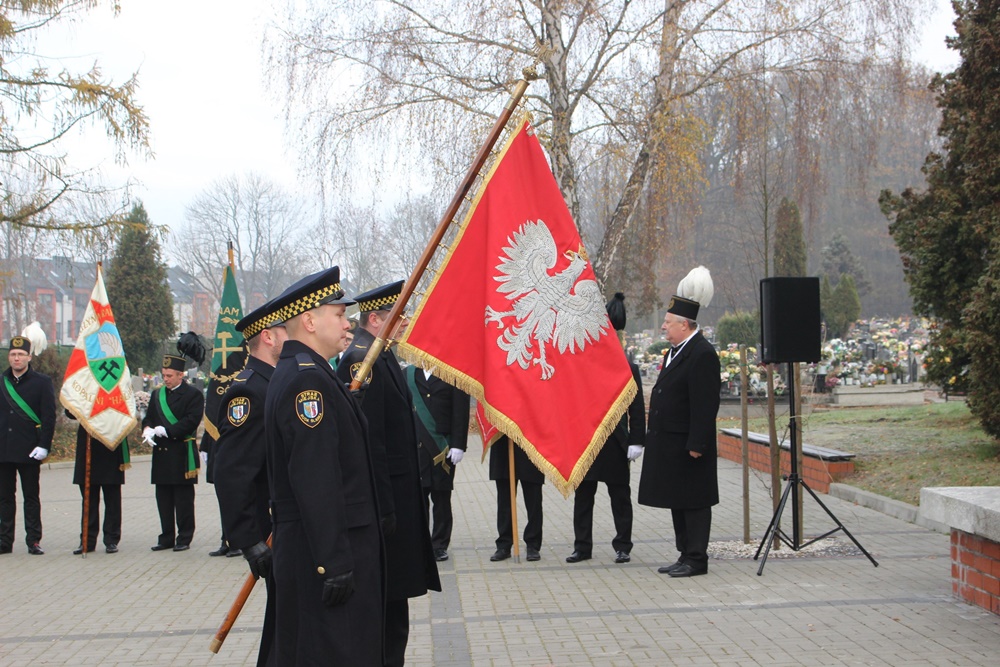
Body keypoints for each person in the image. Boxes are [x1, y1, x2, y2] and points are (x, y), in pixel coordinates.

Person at [264, 266, 383, 665]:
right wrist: (332, 562)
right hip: (325, 556)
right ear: (310, 321)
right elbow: (316, 479)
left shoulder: (312, 374)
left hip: (324, 550)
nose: (346, 321)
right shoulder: (307, 383)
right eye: (338, 313)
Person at [337, 280, 440, 667]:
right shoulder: (362, 359)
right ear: (377, 319)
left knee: (395, 606)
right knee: (386, 606)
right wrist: (383, 507)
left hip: (396, 495)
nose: (406, 323)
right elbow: (371, 442)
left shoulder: (380, 355)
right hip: (387, 500)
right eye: (399, 317)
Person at [212, 297, 286, 667]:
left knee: (288, 627)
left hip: (286, 528)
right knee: (284, 629)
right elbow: (232, 472)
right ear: (269, 337)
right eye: (286, 329)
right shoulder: (250, 390)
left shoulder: (277, 381)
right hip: (270, 531)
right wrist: (249, 541)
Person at [638, 266, 721, 578]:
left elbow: (705, 403)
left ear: (685, 325)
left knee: (694, 502)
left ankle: (697, 559)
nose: (664, 327)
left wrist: (698, 443)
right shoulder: (675, 351)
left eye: (668, 323)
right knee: (678, 499)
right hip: (671, 442)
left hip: (690, 444)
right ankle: (684, 553)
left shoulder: (702, 354)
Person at [566, 293, 645, 565]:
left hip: (616, 441)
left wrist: (637, 440)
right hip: (589, 440)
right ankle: (582, 546)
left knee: (620, 496)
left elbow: (636, 408)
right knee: (584, 497)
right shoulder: (584, 366)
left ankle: (623, 545)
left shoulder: (629, 368)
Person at [0, 335, 56, 555]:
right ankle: (4, 541)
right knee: (5, 498)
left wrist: (44, 445)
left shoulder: (42, 382)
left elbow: (49, 417)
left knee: (31, 497)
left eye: (21, 355)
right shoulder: (2, 380)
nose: (16, 359)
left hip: (30, 449)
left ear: (29, 357)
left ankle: (33, 540)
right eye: (13, 355)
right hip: (3, 449)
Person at [407, 366, 469, 562]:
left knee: (441, 499)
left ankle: (439, 544)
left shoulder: (452, 374)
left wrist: (459, 444)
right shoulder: (408, 374)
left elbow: (460, 410)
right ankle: (421, 543)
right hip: (417, 446)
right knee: (419, 499)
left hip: (443, 449)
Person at [144, 353, 204, 552]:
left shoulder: (193, 395)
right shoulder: (157, 395)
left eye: (169, 375)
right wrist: (146, 428)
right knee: (163, 498)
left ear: (180, 375)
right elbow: (150, 417)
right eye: (164, 375)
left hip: (181, 453)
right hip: (161, 454)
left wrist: (168, 431)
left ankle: (184, 537)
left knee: (183, 499)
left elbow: (191, 421)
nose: (166, 379)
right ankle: (166, 537)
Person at [68, 411, 127, 554]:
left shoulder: (116, 388)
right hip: (88, 446)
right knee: (89, 500)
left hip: (110, 443)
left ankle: (111, 540)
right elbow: (69, 412)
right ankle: (87, 541)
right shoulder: (82, 388)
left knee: (112, 499)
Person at [489, 436, 545, 562]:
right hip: (503, 443)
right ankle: (504, 544)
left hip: (530, 442)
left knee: (533, 500)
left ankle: (533, 544)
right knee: (504, 501)